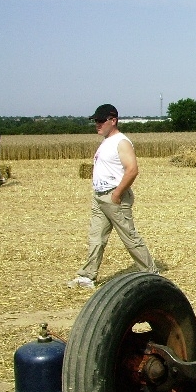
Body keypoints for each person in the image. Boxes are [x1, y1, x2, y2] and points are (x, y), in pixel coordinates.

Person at [68, 104, 158, 288]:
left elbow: (132, 170)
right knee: (96, 238)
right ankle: (87, 276)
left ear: (113, 120)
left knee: (129, 238)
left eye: (100, 120)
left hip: (114, 197)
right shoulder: (106, 141)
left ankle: (152, 275)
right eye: (95, 121)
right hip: (100, 197)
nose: (97, 124)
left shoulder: (121, 142)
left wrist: (117, 194)